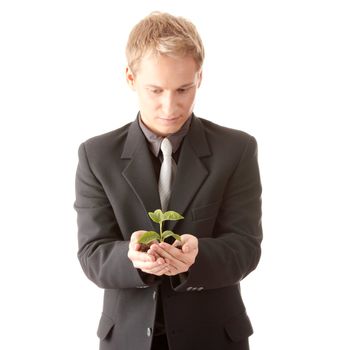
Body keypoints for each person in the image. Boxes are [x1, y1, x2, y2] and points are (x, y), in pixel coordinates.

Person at [74, 11, 262, 350]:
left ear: (199, 77)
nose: (169, 106)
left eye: (184, 89)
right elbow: (92, 253)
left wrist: (198, 256)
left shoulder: (237, 149)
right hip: (127, 340)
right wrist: (131, 258)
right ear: (130, 78)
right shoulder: (96, 154)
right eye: (155, 90)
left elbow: (245, 247)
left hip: (214, 338)